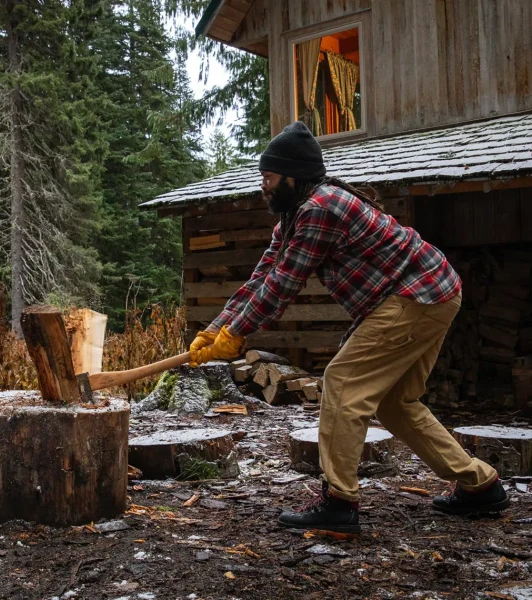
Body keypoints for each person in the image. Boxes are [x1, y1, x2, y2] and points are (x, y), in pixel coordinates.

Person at [189, 121, 509, 535]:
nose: (263, 185)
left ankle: (339, 501)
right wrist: (215, 328)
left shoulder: (320, 209)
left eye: (268, 177)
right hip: (431, 292)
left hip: (418, 295)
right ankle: (480, 484)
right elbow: (261, 277)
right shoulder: (292, 217)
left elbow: (284, 285)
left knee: (341, 382)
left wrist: (239, 333)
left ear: (292, 176)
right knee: (396, 403)